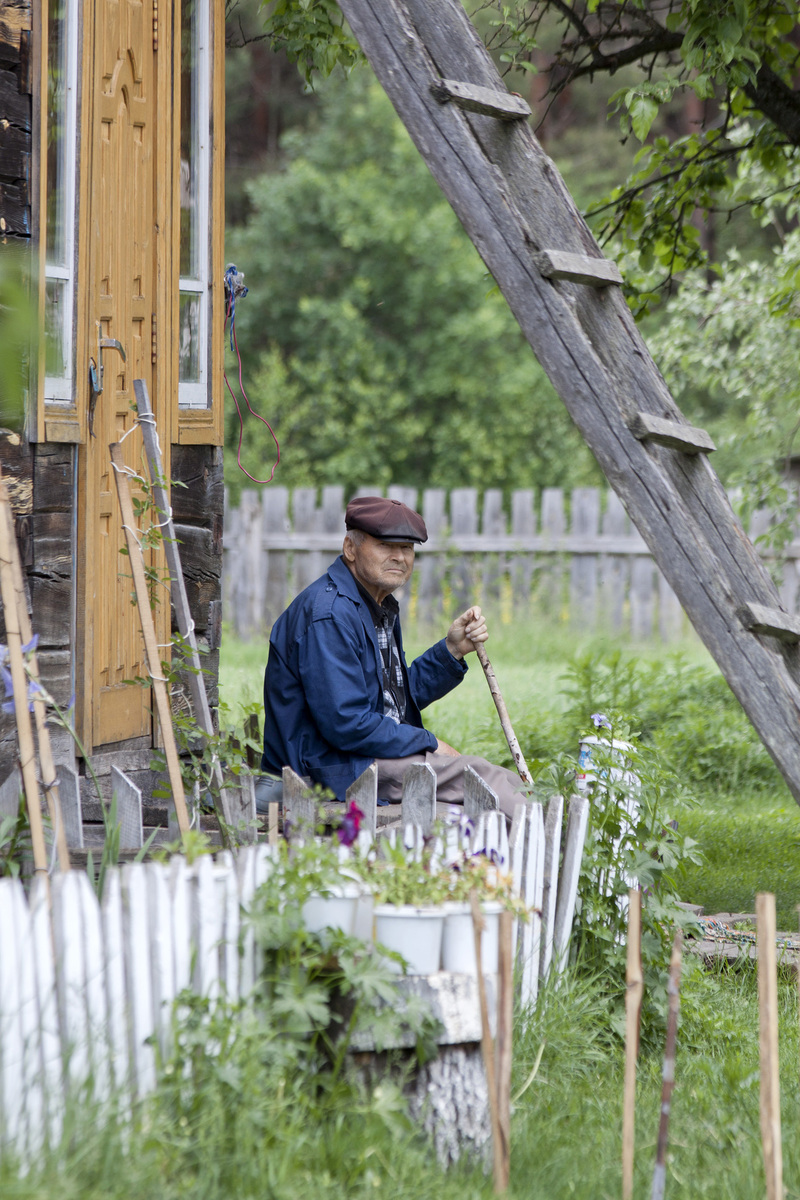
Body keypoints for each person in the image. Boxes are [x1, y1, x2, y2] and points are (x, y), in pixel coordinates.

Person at [260, 496, 528, 819]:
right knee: (485, 781)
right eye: (386, 545)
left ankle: (530, 839)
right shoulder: (330, 615)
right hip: (329, 769)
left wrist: (452, 650)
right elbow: (347, 723)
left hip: (358, 759)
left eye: (407, 548)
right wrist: (429, 742)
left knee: (499, 785)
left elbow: (389, 700)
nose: (399, 557)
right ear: (350, 548)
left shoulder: (375, 604)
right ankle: (534, 845)